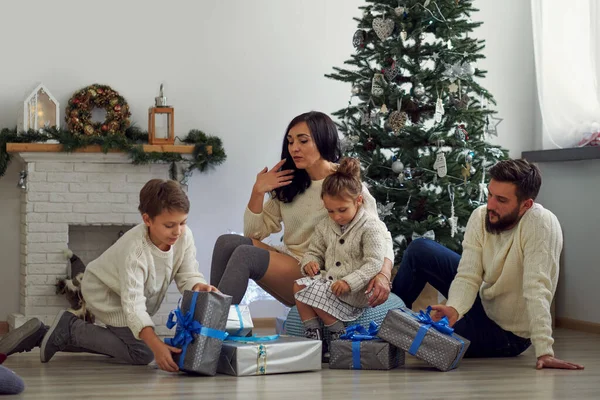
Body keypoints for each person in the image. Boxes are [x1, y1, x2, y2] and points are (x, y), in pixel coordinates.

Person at [0, 179, 217, 373]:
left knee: (134, 343)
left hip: (123, 295)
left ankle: (46, 334)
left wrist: (197, 284)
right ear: (147, 220)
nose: (178, 231)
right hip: (105, 292)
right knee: (142, 353)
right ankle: (71, 329)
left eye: (183, 222)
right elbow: (133, 306)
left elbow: (187, 271)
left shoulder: (183, 237)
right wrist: (155, 344)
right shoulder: (136, 252)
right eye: (170, 225)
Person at [392, 159, 584, 370]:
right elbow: (468, 275)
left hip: (508, 334)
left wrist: (545, 350)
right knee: (420, 249)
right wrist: (455, 308)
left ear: (526, 205)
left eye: (501, 200)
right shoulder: (482, 215)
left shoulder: (541, 224)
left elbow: (537, 289)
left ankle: (394, 334)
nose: (491, 205)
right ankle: (388, 320)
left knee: (430, 340)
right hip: (484, 303)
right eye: (490, 195)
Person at [210, 111, 395, 308]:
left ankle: (212, 327)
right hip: (292, 261)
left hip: (320, 274)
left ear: (323, 141)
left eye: (303, 141)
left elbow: (381, 235)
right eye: (290, 142)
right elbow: (254, 234)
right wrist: (257, 192)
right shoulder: (289, 183)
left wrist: (383, 274)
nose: (294, 148)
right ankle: (206, 320)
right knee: (226, 242)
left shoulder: (343, 183)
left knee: (246, 255)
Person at [293, 157, 389, 343]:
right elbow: (314, 252)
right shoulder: (325, 226)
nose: (336, 216)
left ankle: (338, 333)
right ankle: (314, 335)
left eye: (342, 210)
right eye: (330, 211)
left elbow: (374, 263)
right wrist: (309, 263)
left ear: (358, 201)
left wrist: (349, 282)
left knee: (313, 293)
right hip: (332, 285)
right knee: (298, 285)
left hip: (354, 293)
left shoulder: (370, 226)